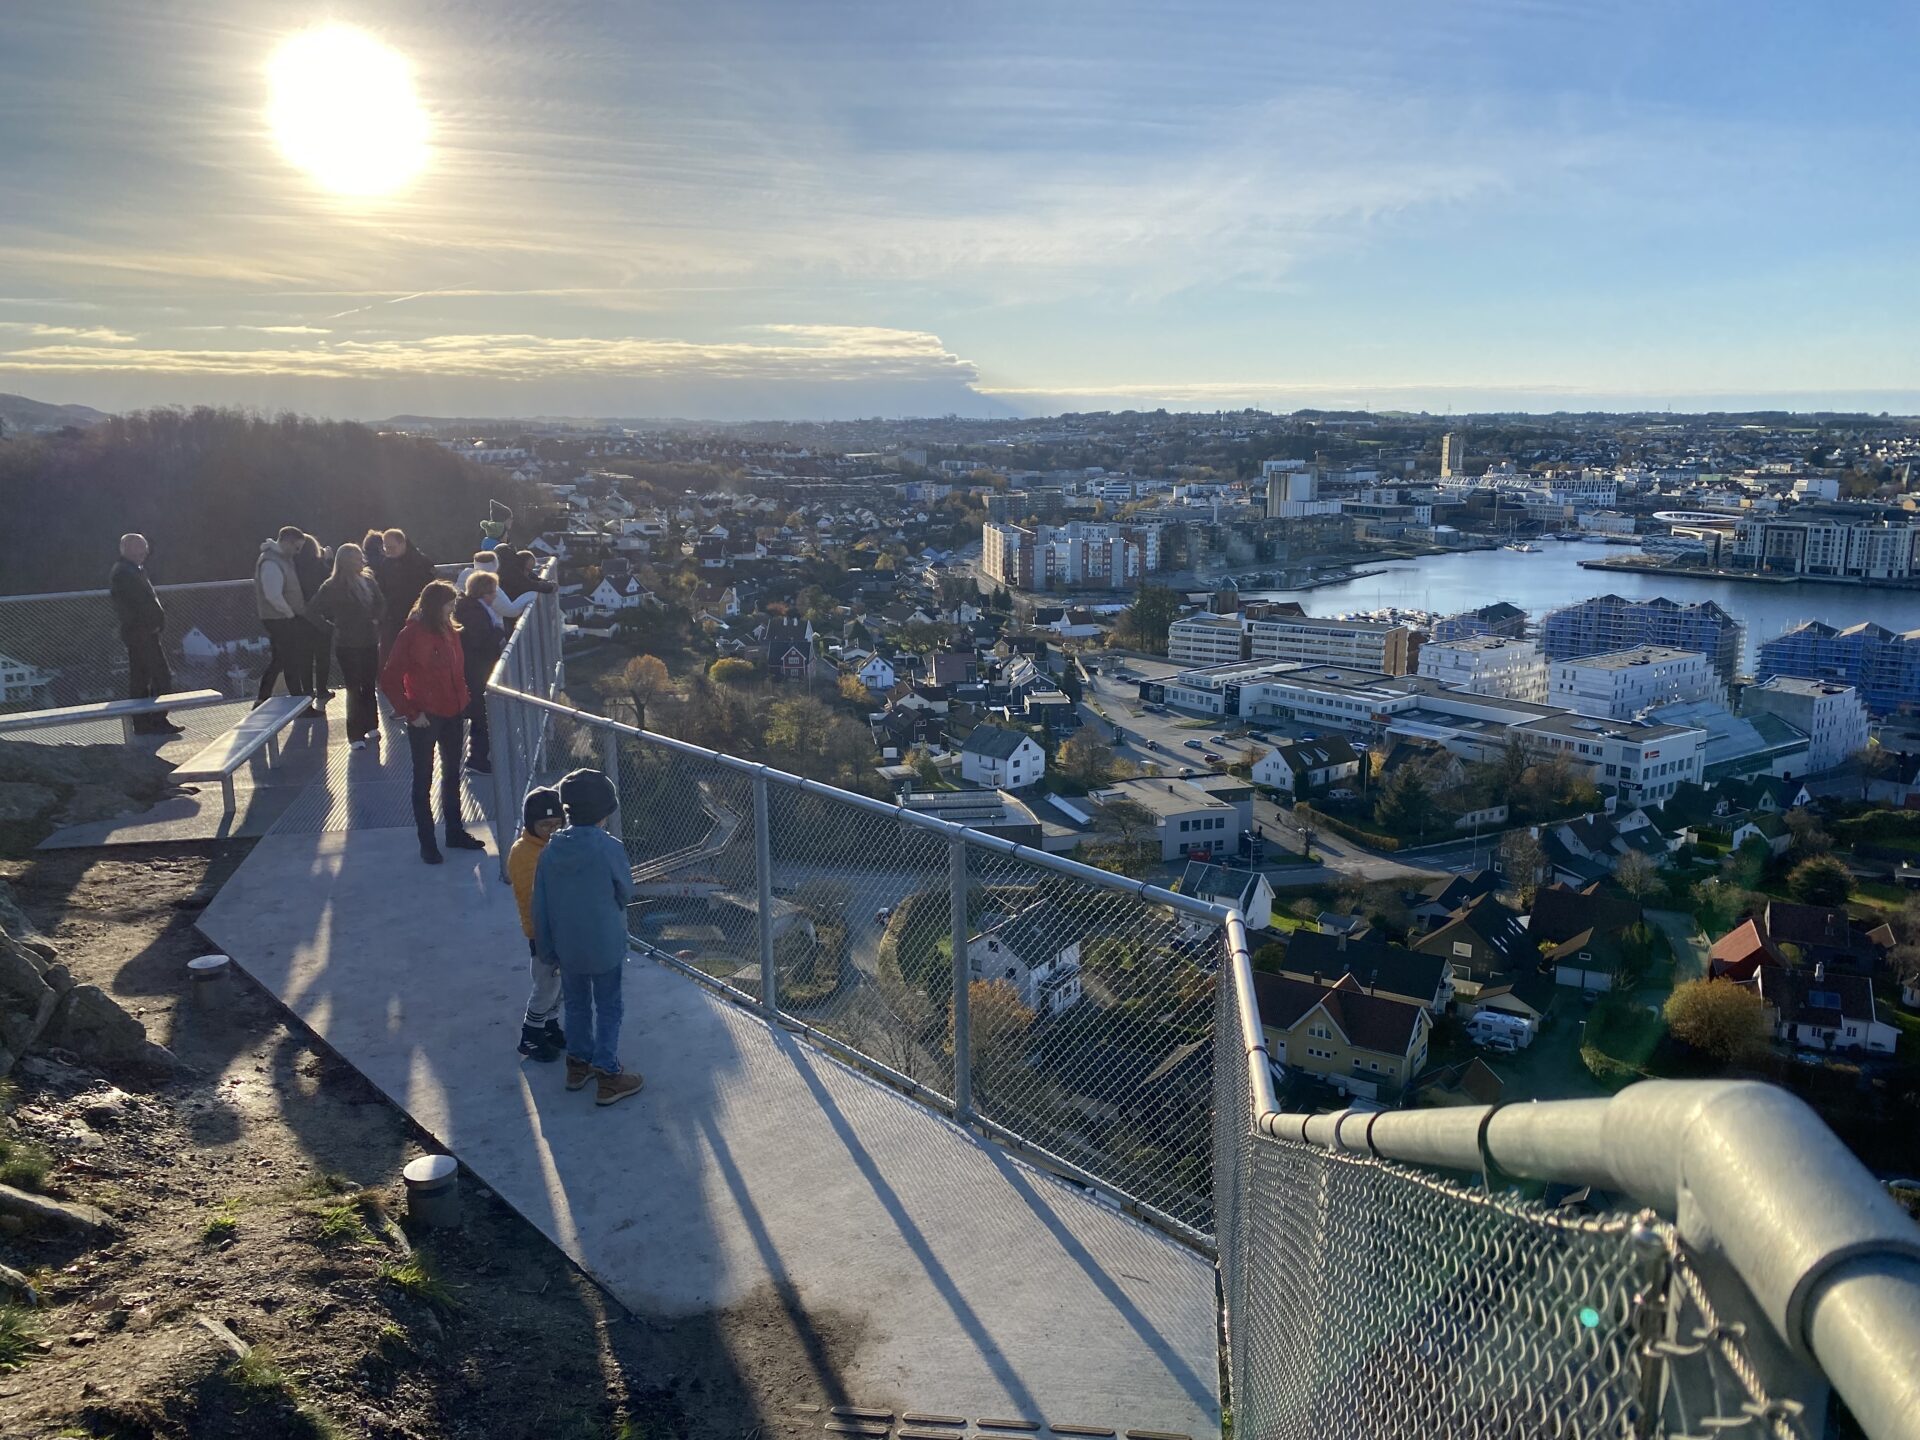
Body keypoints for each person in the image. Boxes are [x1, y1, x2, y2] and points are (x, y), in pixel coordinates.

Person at [532, 768, 642, 1106]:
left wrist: (548, 951)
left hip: (567, 947)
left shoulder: (550, 851)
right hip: (605, 944)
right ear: (606, 812)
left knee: (576, 1004)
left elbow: (541, 905)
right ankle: (608, 1075)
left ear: (567, 810)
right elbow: (625, 890)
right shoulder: (609, 848)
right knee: (609, 1005)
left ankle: (577, 1066)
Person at [378, 579, 484, 864]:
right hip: (425, 716)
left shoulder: (449, 629)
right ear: (436, 605)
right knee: (423, 777)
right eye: (449, 603)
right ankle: (427, 843)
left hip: (453, 710)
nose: (453, 608)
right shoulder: (411, 634)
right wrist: (412, 712)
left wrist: (465, 699)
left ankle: (454, 831)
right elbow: (389, 678)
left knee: (452, 774)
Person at [508, 787, 568, 1062]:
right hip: (544, 934)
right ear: (531, 824)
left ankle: (549, 1025)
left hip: (562, 930)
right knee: (545, 986)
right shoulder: (524, 853)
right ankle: (530, 1035)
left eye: (557, 824)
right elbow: (534, 898)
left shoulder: (553, 846)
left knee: (558, 985)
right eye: (545, 825)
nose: (551, 830)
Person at [309, 542, 386, 749]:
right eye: (357, 558)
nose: (361, 560)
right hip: (347, 644)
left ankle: (371, 725)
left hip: (369, 640)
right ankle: (355, 734)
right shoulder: (332, 586)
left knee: (368, 685)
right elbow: (313, 610)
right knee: (353, 687)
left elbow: (380, 604)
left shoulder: (369, 581)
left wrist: (376, 619)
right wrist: (331, 627)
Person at [108, 533, 183, 734]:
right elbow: (134, 605)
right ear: (127, 550)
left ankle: (143, 723)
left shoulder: (131, 570)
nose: (144, 553)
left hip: (140, 633)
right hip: (141, 633)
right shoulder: (124, 573)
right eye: (140, 549)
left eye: (145, 549)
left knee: (141, 678)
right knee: (161, 676)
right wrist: (150, 624)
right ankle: (156, 719)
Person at [253, 525, 315, 709]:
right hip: (279, 619)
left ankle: (263, 699)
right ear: (287, 542)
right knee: (290, 661)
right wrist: (289, 613)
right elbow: (273, 595)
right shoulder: (271, 562)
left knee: (282, 660)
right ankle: (299, 705)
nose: (298, 552)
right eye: (296, 547)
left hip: (282, 618)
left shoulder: (282, 559)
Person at [452, 571, 505, 774]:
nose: (495, 597)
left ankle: (475, 757)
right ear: (485, 593)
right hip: (475, 670)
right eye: (493, 592)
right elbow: (479, 642)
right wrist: (499, 632)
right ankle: (477, 759)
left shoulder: (468, 607)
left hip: (473, 668)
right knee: (480, 715)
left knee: (478, 714)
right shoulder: (474, 613)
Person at [373, 527, 436, 662]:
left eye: (392, 547)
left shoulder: (421, 563)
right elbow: (380, 590)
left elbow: (430, 590)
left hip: (416, 617)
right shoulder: (386, 564)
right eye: (386, 548)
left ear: (402, 544)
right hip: (391, 619)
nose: (388, 551)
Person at [294, 533, 335, 707]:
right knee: (322, 656)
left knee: (304, 657)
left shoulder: (293, 567)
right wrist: (330, 560)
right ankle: (322, 689)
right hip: (321, 618)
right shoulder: (321, 567)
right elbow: (333, 582)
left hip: (301, 618)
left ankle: (307, 691)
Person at [457, 550, 540, 623]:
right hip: (491, 628)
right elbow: (511, 610)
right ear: (495, 564)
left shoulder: (465, 575)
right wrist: (533, 593)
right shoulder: (489, 584)